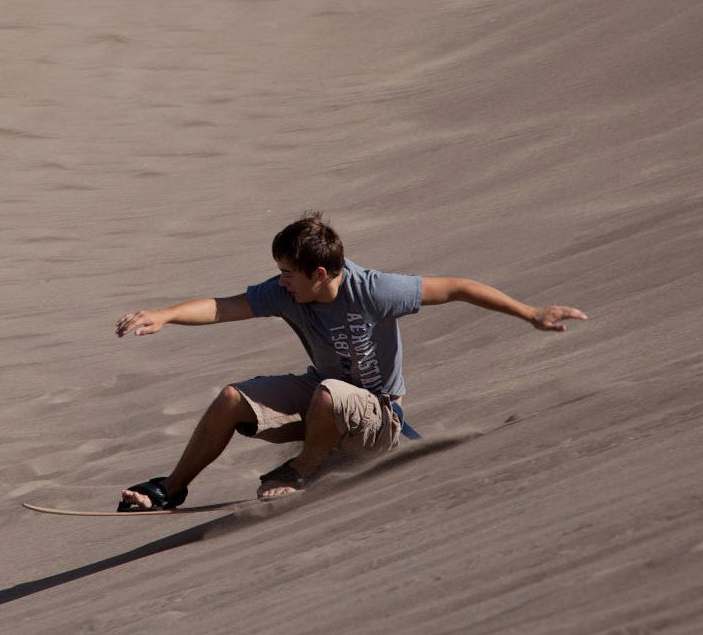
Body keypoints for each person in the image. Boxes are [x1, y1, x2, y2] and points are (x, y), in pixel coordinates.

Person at [114, 212, 586, 510]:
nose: (280, 283)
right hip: (324, 398)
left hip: (379, 417)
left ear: (320, 274)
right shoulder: (288, 294)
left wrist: (530, 313)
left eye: (287, 274)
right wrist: (165, 315)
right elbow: (225, 306)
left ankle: (302, 470)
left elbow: (458, 287)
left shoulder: (376, 290)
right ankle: (170, 489)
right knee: (232, 399)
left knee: (330, 393)